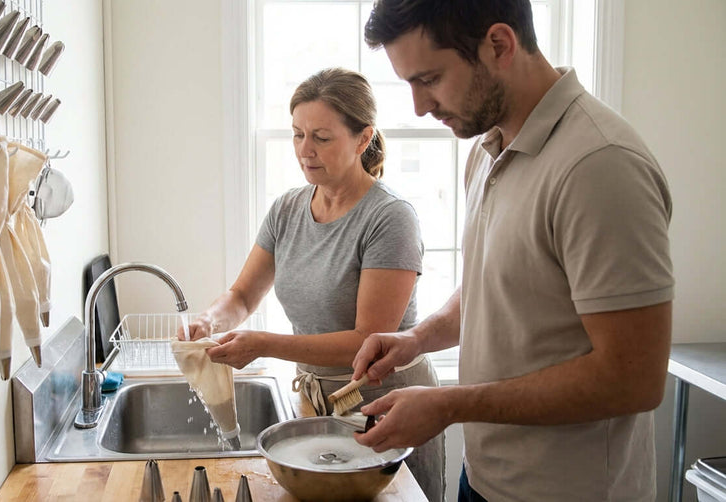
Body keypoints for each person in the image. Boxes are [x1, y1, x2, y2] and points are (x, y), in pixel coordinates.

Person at [350, 1, 674, 501]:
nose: (418, 106)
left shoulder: (601, 166)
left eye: (430, 79)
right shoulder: (487, 149)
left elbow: (633, 379)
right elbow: (496, 284)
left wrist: (450, 405)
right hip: (483, 480)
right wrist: (416, 338)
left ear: (499, 45)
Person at [184, 67, 445, 501]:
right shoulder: (287, 208)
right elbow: (243, 294)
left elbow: (367, 340)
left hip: (389, 408)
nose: (305, 150)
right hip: (320, 405)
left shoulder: (391, 218)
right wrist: (209, 319)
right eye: (297, 135)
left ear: (363, 139)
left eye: (322, 138)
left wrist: (263, 344)